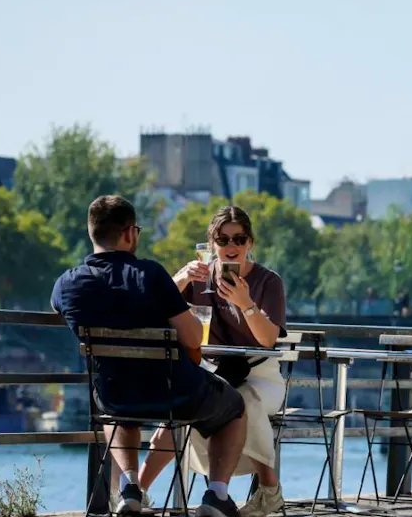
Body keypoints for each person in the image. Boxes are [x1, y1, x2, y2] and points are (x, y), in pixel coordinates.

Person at [51, 196, 246, 517]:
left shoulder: (66, 284)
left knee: (116, 408)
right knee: (235, 407)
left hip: (114, 394)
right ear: (130, 233)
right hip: (175, 394)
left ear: (92, 233)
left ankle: (130, 487)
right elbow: (193, 337)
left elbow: (60, 309)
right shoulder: (151, 274)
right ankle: (216, 495)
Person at [138, 206, 288, 517]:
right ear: (211, 244)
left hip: (259, 374)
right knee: (183, 405)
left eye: (239, 239)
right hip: (212, 370)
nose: (231, 246)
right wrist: (179, 280)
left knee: (240, 399)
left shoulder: (268, 282)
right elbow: (149, 314)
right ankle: (136, 491)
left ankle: (265, 489)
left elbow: (268, 340)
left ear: (250, 242)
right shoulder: (199, 278)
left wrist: (245, 304)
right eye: (222, 239)